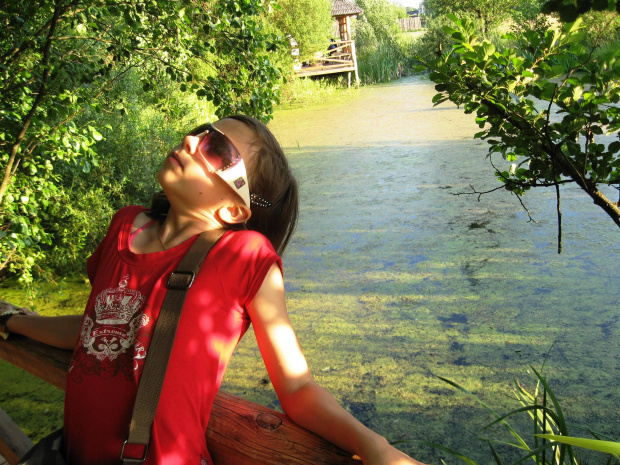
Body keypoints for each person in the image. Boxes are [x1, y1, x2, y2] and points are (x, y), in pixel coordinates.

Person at [2, 115, 427, 465]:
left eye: (217, 150)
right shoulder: (123, 226)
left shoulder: (244, 256)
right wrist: (17, 324)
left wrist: (376, 449)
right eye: (204, 132)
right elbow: (98, 330)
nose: (191, 140)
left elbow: (296, 388)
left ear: (233, 208)